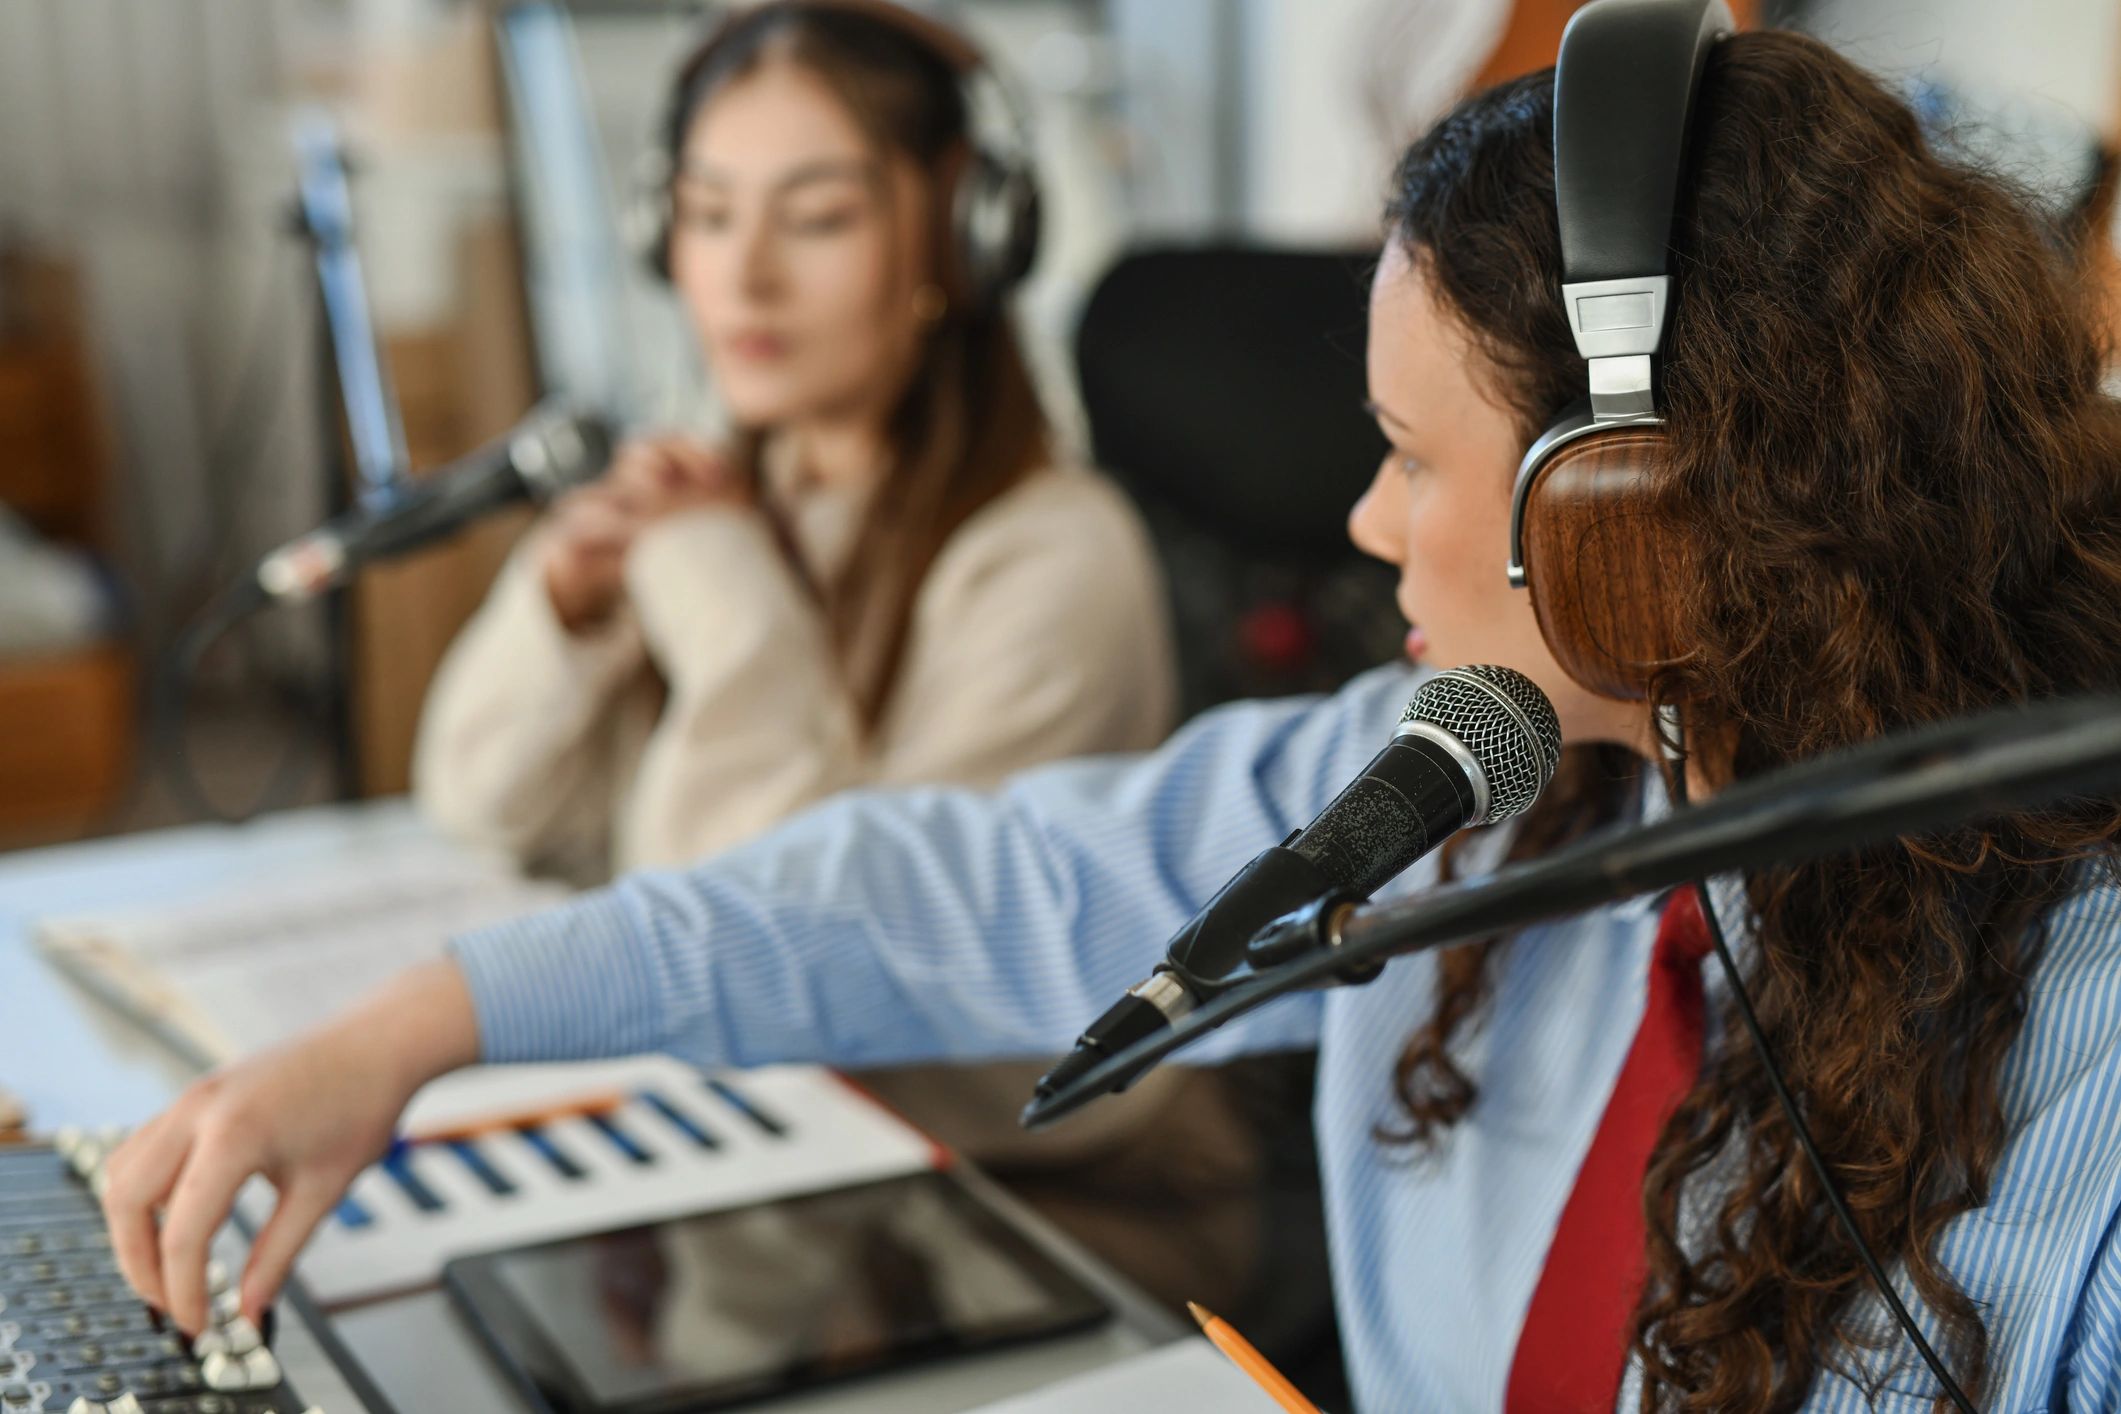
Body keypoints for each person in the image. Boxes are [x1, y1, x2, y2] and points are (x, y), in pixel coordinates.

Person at [104, 17, 2121, 1411]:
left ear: (1637, 516)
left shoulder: (2087, 1076)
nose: (1357, 522)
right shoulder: (1475, 782)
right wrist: (413, 1028)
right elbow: (932, 884)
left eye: (1410, 459)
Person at [414, 0, 1263, 1311]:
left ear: (961, 239)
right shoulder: (727, 503)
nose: (740, 276)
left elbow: (781, 945)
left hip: (1042, 1209)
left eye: (813, 218)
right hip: (800, 1171)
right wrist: (567, 609)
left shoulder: (1051, 557)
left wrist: (721, 597)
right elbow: (483, 809)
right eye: (704, 214)